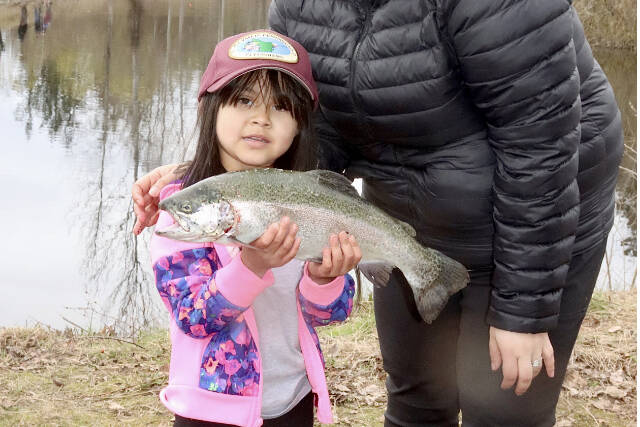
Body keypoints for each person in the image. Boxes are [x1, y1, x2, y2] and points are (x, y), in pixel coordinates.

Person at [134, 2, 624, 426]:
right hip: (402, 210)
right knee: (416, 398)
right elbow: (309, 125)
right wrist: (217, 174)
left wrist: (523, 312)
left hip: (538, 206)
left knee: (502, 408)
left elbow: (539, 149)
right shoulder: (298, 5)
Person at [149, 29, 362, 427]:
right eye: (244, 99)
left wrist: (325, 277)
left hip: (294, 401)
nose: (261, 118)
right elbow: (193, 315)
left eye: (281, 107)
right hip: (210, 412)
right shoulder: (182, 207)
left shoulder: (308, 199)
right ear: (209, 108)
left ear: (300, 126)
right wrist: (252, 266)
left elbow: (332, 313)